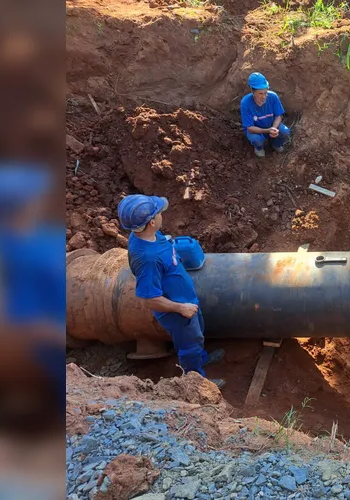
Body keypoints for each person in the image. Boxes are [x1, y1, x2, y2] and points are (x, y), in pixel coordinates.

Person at [0, 164, 66, 416]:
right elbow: (27, 321)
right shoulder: (13, 254)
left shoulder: (41, 235)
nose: (41, 199)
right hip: (51, 353)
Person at [117, 194, 226, 388]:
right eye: (158, 213)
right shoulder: (147, 259)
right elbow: (149, 299)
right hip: (177, 311)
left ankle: (201, 358)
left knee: (198, 333)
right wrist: (180, 308)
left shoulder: (146, 235)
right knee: (188, 345)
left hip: (186, 301)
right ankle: (195, 382)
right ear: (151, 222)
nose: (161, 215)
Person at [240, 72, 290, 158]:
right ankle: (259, 148)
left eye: (265, 92)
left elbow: (279, 116)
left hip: (271, 126)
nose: (264, 97)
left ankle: (276, 144)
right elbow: (250, 128)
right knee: (257, 140)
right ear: (252, 91)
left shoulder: (273, 97)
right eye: (260, 94)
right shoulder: (246, 103)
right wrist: (267, 131)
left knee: (285, 131)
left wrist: (274, 128)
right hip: (256, 131)